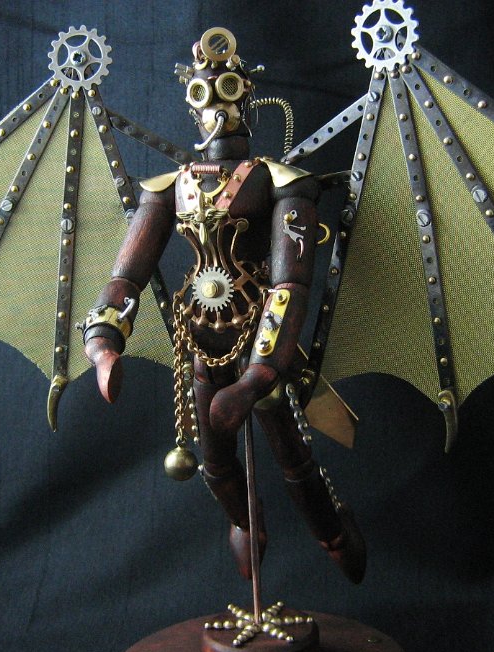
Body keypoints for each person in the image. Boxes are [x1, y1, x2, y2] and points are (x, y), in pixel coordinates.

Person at [82, 27, 365, 583]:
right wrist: (103, 340)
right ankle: (244, 522)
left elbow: (290, 284)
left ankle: (332, 533)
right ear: (191, 104)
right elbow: (127, 272)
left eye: (227, 90)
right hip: (201, 339)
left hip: (263, 341)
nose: (216, 107)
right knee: (215, 463)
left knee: (292, 456)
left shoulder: (281, 183)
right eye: (203, 92)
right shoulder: (170, 187)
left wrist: (259, 374)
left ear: (246, 98)